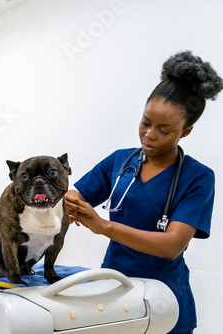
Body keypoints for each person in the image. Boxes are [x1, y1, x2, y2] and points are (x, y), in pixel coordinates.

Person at [65, 50, 222, 334]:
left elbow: (171, 245)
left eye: (164, 130)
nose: (149, 135)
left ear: (185, 131)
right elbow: (76, 197)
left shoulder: (198, 178)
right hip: (112, 289)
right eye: (146, 122)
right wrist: (67, 201)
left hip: (164, 297)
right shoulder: (120, 161)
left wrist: (103, 226)